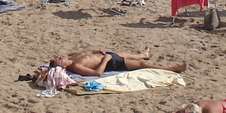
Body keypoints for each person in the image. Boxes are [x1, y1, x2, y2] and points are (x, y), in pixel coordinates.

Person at [50, 49, 186, 75]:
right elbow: (97, 73)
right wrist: (105, 60)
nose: (61, 57)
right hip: (110, 63)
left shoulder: (73, 57)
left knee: (125, 54)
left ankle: (143, 54)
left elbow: (89, 56)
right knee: (141, 66)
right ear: (61, 66)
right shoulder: (76, 66)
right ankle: (171, 69)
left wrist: (96, 52)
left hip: (106, 57)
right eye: (59, 59)